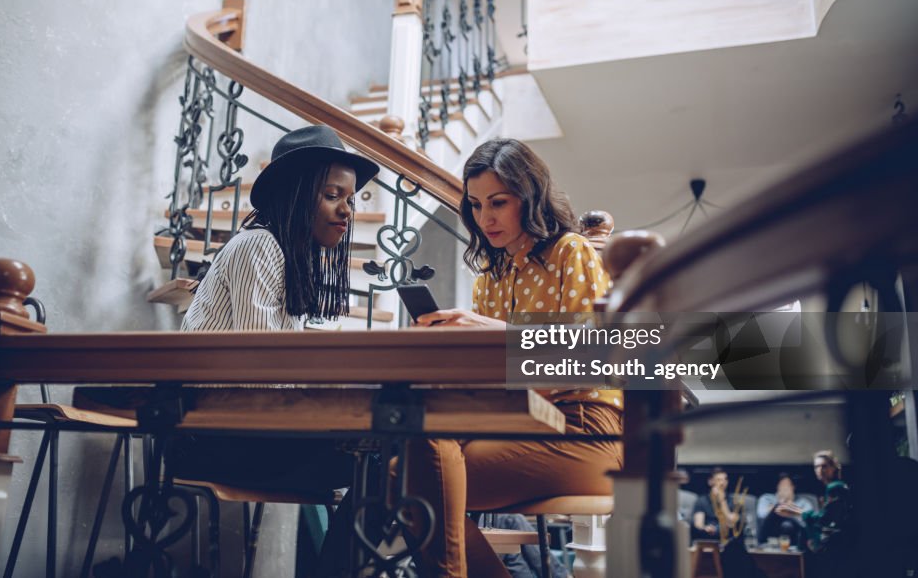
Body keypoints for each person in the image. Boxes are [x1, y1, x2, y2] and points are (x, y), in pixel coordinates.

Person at [407, 138, 622, 578]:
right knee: (405, 466)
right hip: (518, 424)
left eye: (498, 203)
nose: (485, 218)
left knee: (411, 482)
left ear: (530, 197)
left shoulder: (571, 251)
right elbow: (501, 377)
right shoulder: (491, 276)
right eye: (475, 205)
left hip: (587, 428)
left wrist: (492, 332)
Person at [171, 125, 379, 573]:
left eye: (351, 199)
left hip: (242, 432)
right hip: (216, 439)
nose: (346, 210)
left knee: (394, 456)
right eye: (332, 195)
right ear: (298, 193)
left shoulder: (285, 255)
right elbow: (260, 375)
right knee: (391, 458)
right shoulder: (260, 247)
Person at [775, 450, 854, 569]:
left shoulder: (835, 487)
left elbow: (826, 519)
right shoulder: (834, 487)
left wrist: (798, 512)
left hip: (839, 545)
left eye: (824, 466)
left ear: (833, 467)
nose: (820, 470)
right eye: (817, 466)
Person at [756, 473, 811, 546]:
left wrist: (791, 509)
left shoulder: (803, 502)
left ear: (793, 487)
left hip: (796, 535)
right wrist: (781, 503)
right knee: (778, 510)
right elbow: (761, 515)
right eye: (782, 485)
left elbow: (809, 521)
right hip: (771, 532)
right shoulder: (766, 498)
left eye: (787, 486)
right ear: (777, 487)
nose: (784, 488)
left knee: (787, 524)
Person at [691, 467, 740, 542]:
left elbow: (732, 523)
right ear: (710, 482)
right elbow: (698, 524)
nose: (722, 483)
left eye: (725, 479)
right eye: (718, 480)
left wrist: (722, 501)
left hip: (728, 539)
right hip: (707, 538)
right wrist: (705, 528)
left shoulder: (734, 501)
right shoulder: (701, 500)